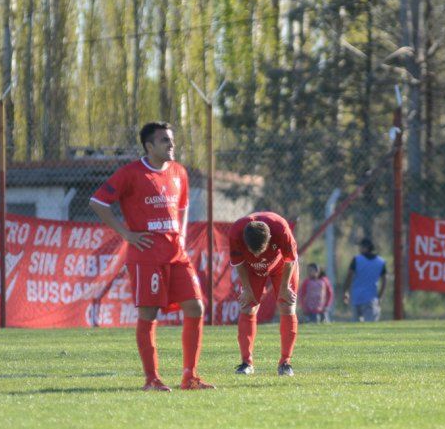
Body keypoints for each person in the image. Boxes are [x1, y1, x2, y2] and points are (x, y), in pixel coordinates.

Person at [89, 121, 214, 391]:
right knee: (149, 313)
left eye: (172, 140)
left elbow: (183, 207)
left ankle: (189, 376)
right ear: (149, 146)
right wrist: (126, 234)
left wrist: (180, 234)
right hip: (146, 254)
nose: (172, 145)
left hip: (176, 253)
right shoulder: (130, 173)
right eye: (165, 141)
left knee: (196, 307)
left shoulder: (179, 171)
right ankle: (152, 379)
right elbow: (97, 202)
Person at [229, 212, 299, 376]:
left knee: (287, 305)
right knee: (247, 307)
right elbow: (238, 263)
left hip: (281, 266)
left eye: (260, 251)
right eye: (252, 252)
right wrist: (246, 289)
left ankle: (285, 363)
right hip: (251, 270)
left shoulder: (281, 228)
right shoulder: (235, 232)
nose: (257, 256)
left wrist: (284, 287)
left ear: (270, 240)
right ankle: (246, 363)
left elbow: (290, 259)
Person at [342, 238, 386, 322]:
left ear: (366, 247)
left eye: (361, 247)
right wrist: (380, 296)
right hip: (371, 299)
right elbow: (384, 281)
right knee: (370, 328)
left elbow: (349, 276)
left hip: (356, 297)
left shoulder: (357, 260)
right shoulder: (381, 262)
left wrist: (346, 291)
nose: (359, 249)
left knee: (355, 328)